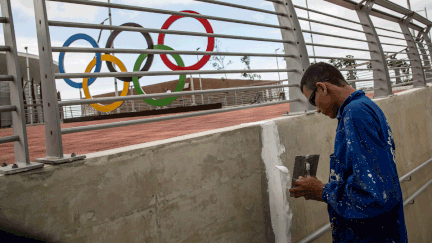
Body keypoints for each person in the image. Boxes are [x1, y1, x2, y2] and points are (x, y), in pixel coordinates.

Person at [289, 62, 408, 242]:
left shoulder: (355, 114)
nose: (318, 110)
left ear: (322, 88)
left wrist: (322, 190)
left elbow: (374, 195)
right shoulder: (364, 107)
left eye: (313, 101)